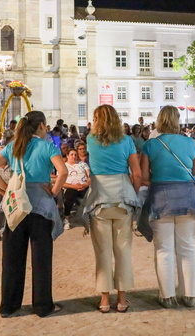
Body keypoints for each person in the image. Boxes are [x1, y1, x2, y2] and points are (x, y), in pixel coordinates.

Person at [0, 111, 67, 318]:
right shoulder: (47, 146)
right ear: (40, 126)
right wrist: (55, 191)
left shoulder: (13, 146)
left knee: (12, 258)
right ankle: (42, 306)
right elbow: (63, 171)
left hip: (16, 205)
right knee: (41, 258)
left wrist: (5, 188)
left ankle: (9, 306)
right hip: (40, 205)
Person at [138, 105, 195, 309]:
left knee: (164, 249)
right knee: (187, 246)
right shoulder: (190, 143)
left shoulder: (150, 145)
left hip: (161, 198)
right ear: (177, 120)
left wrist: (161, 178)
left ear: (159, 120)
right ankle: (190, 294)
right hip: (187, 198)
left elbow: (144, 177)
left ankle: (167, 296)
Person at [80, 104, 141, 313]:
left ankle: (105, 300)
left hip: (99, 199)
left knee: (103, 251)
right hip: (123, 198)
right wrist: (132, 190)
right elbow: (137, 173)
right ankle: (122, 299)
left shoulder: (90, 140)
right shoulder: (127, 141)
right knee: (123, 249)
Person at [61, 149, 90, 230]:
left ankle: (90, 217)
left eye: (75, 155)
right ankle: (66, 219)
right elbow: (61, 182)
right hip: (70, 187)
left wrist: (86, 184)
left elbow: (90, 176)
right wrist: (74, 186)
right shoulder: (63, 166)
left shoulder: (82, 164)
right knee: (71, 193)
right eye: (72, 154)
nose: (74, 156)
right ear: (67, 156)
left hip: (83, 186)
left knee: (90, 193)